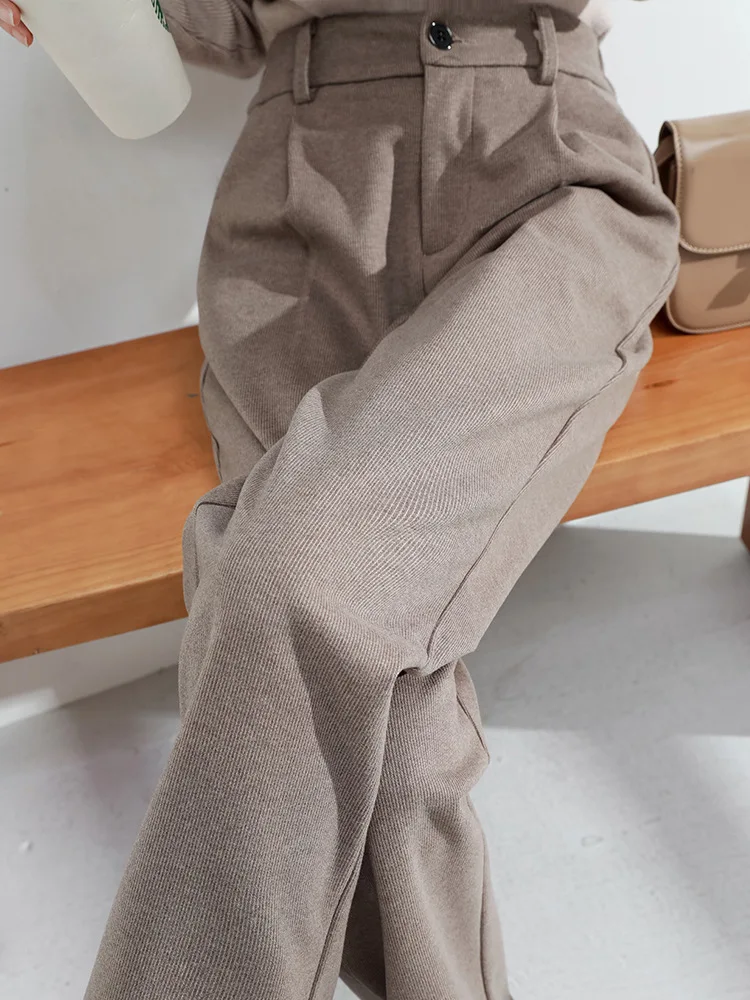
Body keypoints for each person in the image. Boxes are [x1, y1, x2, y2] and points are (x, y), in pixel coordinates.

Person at [3, 1, 679, 997]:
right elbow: (219, 19)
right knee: (391, 751)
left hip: (539, 165)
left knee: (289, 580)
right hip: (296, 220)